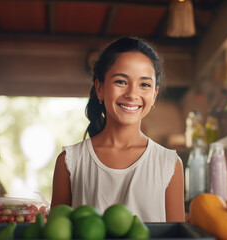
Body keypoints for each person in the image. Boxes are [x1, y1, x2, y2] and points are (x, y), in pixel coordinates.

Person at [51, 37, 185, 222]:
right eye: (121, 81)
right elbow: (56, 232)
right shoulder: (69, 162)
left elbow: (177, 235)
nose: (132, 94)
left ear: (154, 95)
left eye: (144, 84)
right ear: (99, 88)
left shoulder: (169, 164)